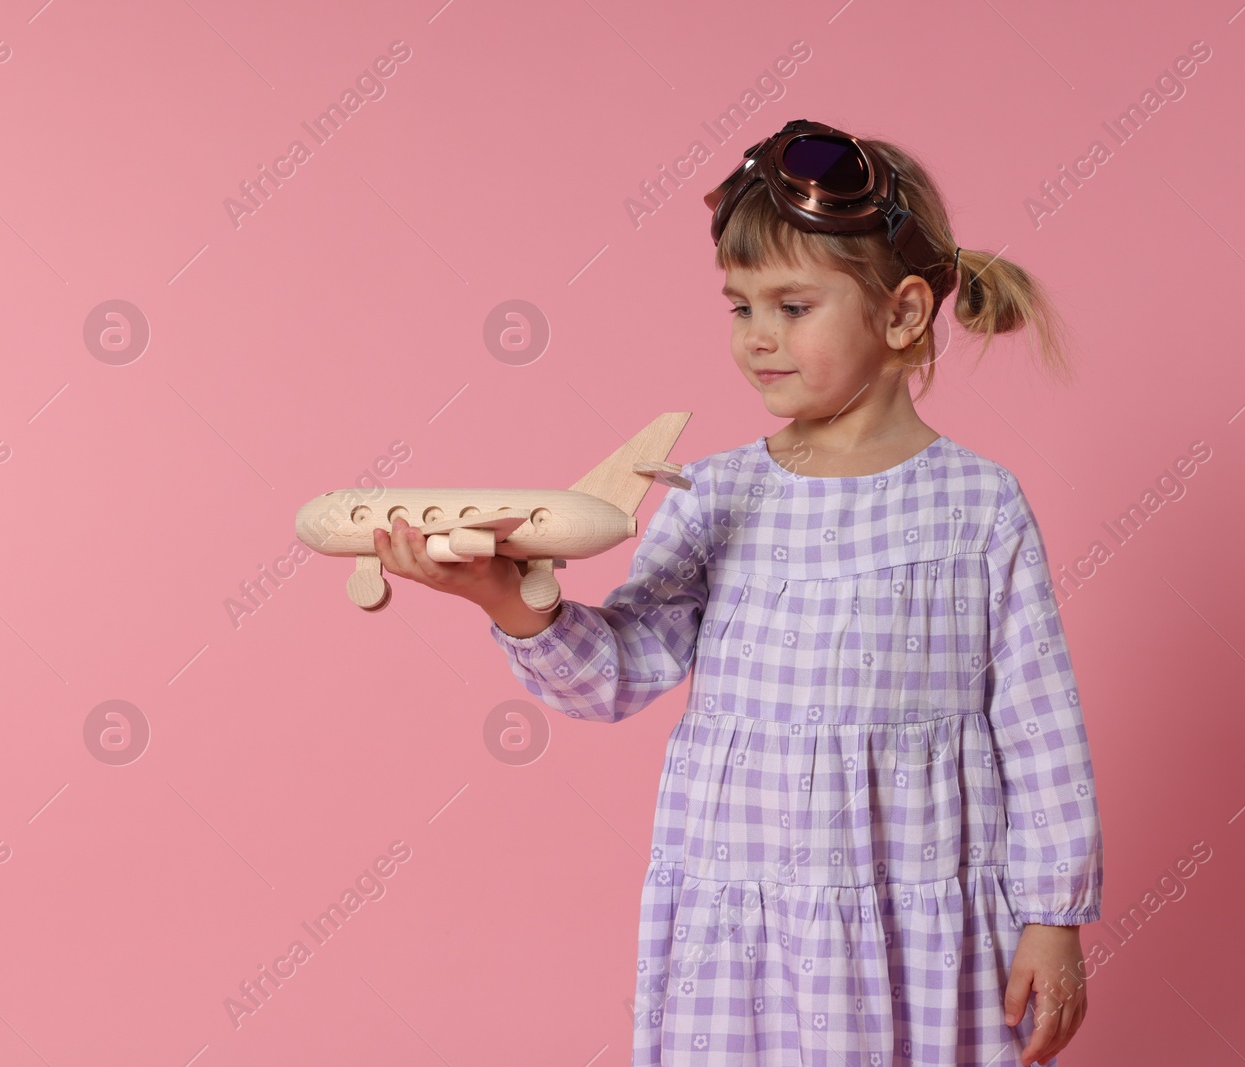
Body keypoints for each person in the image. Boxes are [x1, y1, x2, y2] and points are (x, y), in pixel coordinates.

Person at [371, 118, 1103, 1067]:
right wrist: (509, 602)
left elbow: (1040, 728)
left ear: (903, 313)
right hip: (741, 925)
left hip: (916, 920)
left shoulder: (978, 505)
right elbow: (621, 671)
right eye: (740, 307)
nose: (758, 338)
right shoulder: (713, 494)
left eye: (793, 306)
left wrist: (1055, 917)